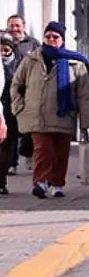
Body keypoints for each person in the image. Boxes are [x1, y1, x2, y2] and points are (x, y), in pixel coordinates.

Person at [11, 22, 89, 199]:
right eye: (48, 36)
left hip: (64, 115)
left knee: (60, 152)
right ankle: (41, 182)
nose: (51, 40)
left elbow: (85, 95)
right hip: (38, 116)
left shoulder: (76, 62)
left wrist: (87, 123)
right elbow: (16, 85)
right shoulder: (31, 59)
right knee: (43, 149)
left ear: (62, 39)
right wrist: (19, 108)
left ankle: (57, 184)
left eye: (55, 37)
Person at [7, 14, 40, 174]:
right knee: (10, 130)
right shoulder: (3, 43)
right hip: (7, 93)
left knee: (28, 128)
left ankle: (27, 154)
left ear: (24, 26)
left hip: (27, 93)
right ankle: (11, 163)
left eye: (17, 26)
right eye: (11, 26)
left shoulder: (33, 44)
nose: (14, 29)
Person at [0, 32, 21, 195]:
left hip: (11, 111)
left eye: (6, 50)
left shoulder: (19, 65)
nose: (3, 53)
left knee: (7, 146)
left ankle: (2, 180)